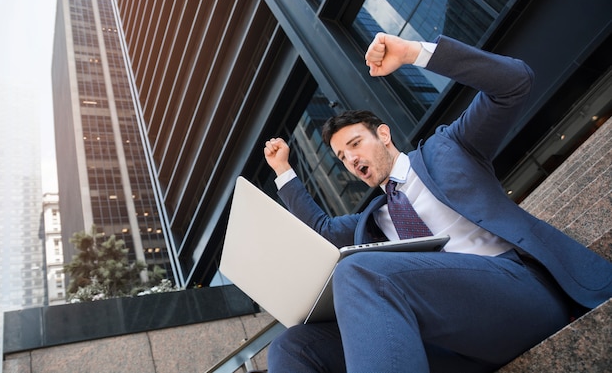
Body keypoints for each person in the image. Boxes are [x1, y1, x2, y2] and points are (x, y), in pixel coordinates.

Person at [262, 33, 612, 373]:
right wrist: (283, 170)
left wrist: (415, 53)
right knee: (291, 346)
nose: (350, 160)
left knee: (358, 269)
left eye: (354, 144)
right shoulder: (371, 221)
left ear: (383, 134)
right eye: (341, 157)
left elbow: (513, 83)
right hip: (453, 346)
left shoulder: (448, 150)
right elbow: (321, 229)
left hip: (519, 295)